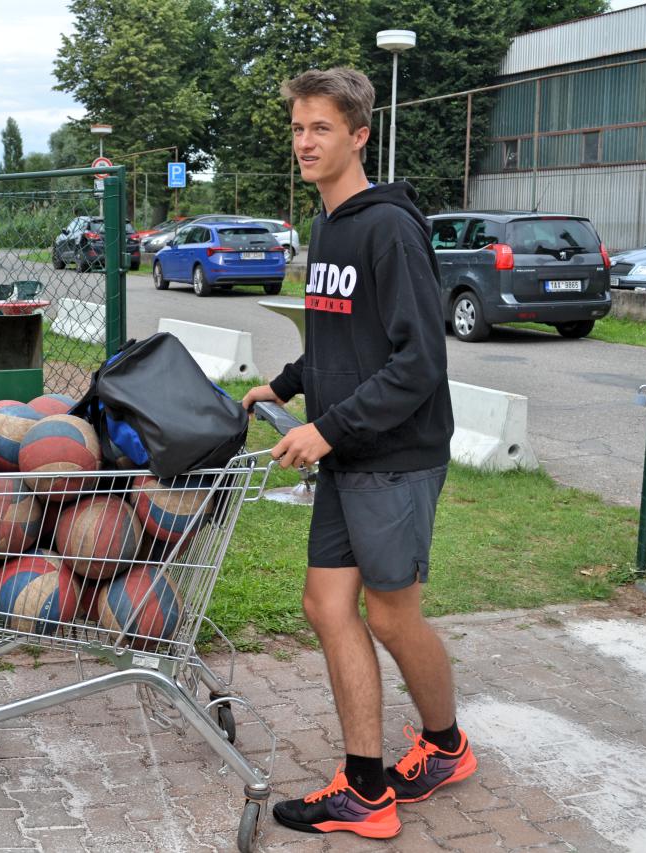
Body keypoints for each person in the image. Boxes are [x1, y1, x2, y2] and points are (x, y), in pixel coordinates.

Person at [240, 67, 473, 840]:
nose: (305, 142)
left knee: (392, 616)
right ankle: (367, 788)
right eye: (298, 128)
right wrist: (280, 386)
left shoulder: (388, 229)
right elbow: (338, 338)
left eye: (322, 128)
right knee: (326, 604)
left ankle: (445, 747)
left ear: (359, 135)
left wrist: (328, 429)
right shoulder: (327, 226)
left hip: (395, 454)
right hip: (349, 451)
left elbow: (418, 362)